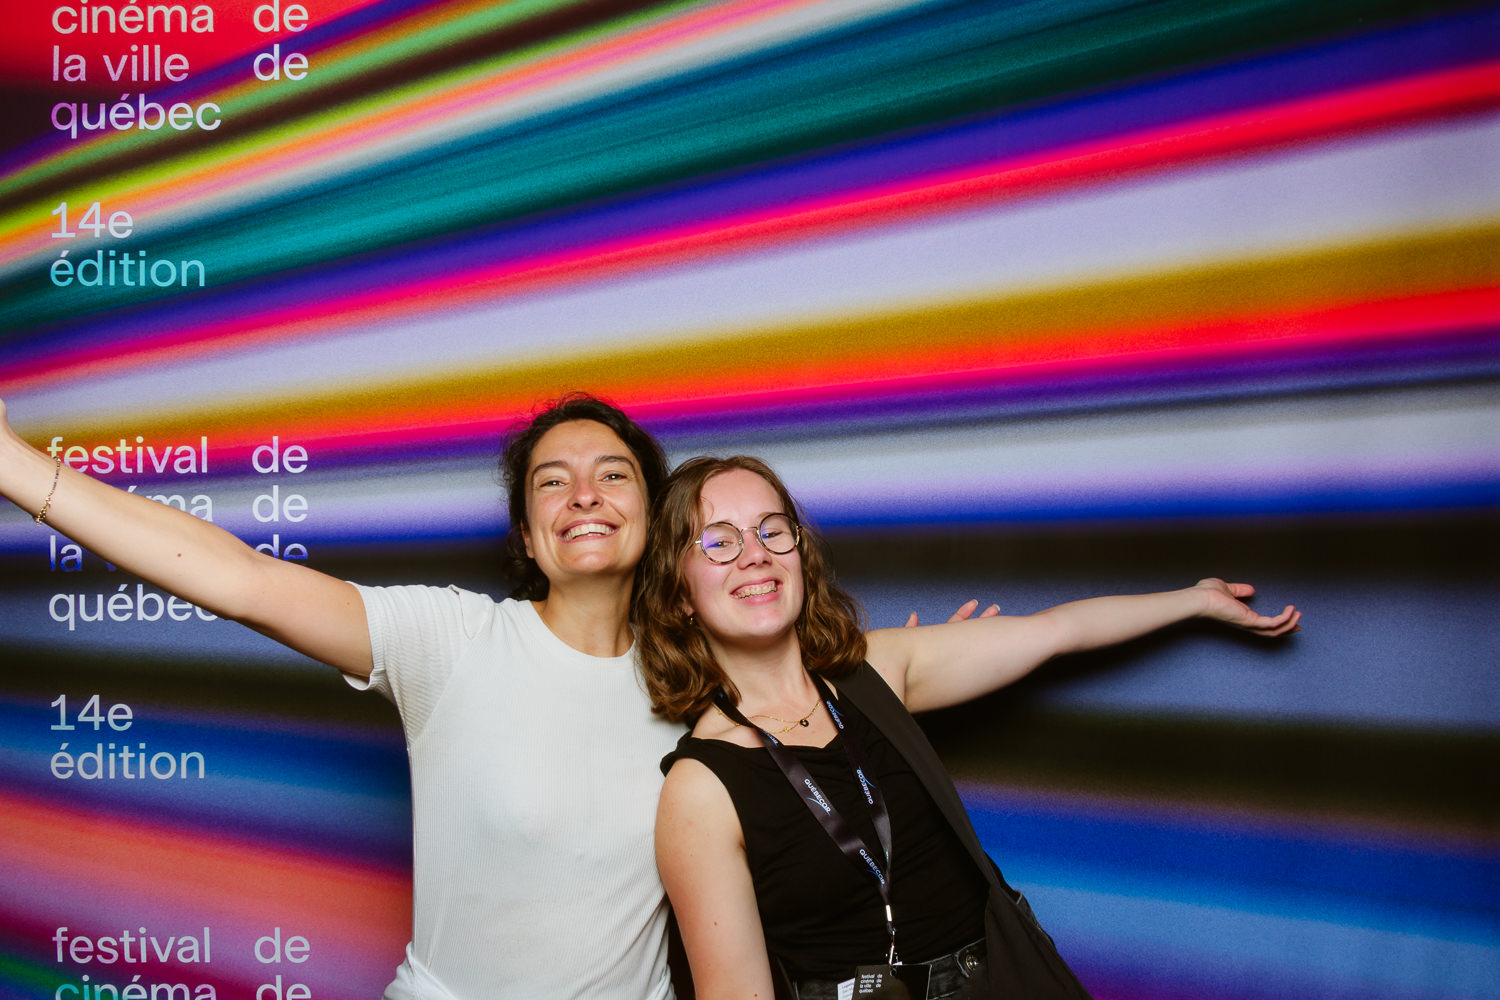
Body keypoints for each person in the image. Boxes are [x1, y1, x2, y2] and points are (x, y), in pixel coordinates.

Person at [0, 393, 984, 998]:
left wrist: (929, 653)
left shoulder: (702, 673)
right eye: (552, 482)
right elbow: (238, 579)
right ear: (525, 534)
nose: (584, 494)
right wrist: (15, 468)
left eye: (613, 474)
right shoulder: (452, 640)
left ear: (657, 519)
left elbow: (847, 675)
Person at [636, 455, 1301, 1000]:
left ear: (799, 556)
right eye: (719, 541)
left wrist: (1194, 600)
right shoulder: (700, 789)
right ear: (679, 592)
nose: (754, 554)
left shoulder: (877, 672)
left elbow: (1055, 632)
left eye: (772, 530)